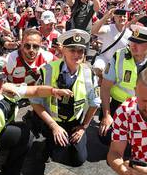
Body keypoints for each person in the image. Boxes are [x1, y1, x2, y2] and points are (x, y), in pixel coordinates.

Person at [31, 29, 101, 166]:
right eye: (72, 50)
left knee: (79, 159)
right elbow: (35, 101)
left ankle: (65, 139)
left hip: (74, 121)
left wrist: (83, 127)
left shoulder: (89, 74)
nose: (77, 54)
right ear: (63, 50)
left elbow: (95, 103)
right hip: (51, 120)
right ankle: (47, 140)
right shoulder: (48, 70)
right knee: (54, 149)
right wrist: (54, 126)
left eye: (80, 51)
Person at [99, 25, 147, 146]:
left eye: (139, 43)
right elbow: (105, 87)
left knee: (139, 144)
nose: (133, 46)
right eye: (132, 41)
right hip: (118, 106)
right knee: (107, 138)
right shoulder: (119, 56)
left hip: (143, 109)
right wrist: (106, 115)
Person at [91, 8, 132, 81]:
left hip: (120, 62)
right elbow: (94, 31)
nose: (122, 18)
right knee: (97, 68)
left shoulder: (129, 33)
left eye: (124, 16)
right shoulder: (108, 28)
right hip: (105, 59)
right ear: (114, 18)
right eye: (119, 16)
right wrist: (105, 17)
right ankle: (102, 80)